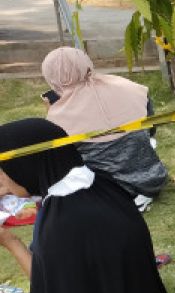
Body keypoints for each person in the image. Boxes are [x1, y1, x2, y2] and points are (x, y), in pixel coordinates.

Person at [0, 119, 165, 293]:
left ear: (26, 163)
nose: (1, 185)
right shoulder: (98, 183)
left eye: (3, 173)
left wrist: (10, 242)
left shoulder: (61, 223)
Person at [40, 47, 167, 208]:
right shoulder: (127, 85)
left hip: (105, 191)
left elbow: (62, 162)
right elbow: (151, 128)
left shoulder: (57, 117)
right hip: (152, 177)